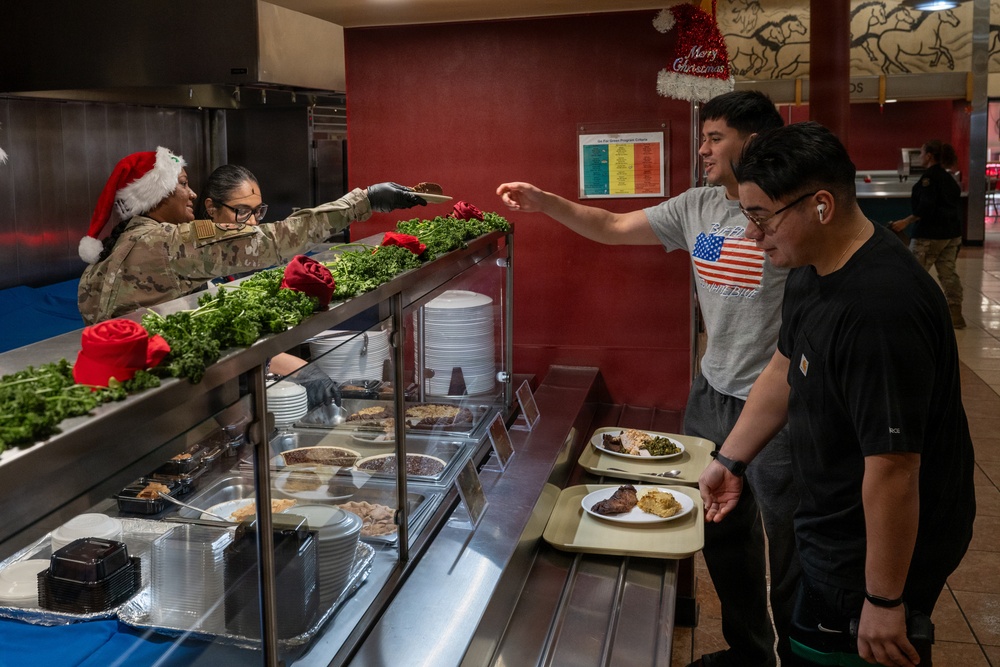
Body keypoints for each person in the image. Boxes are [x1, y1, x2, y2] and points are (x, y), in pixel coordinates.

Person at [497, 90, 799, 667]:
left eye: (716, 138)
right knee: (725, 534)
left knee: (790, 543)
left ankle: (799, 653)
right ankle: (751, 653)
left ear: (753, 141)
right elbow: (611, 224)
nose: (703, 149)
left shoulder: (787, 209)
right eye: (703, 136)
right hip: (712, 395)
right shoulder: (698, 206)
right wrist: (545, 201)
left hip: (780, 402)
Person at [700, 121, 975, 666]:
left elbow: (894, 467)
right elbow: (783, 366)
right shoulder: (812, 263)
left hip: (878, 545)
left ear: (820, 205)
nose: (753, 235)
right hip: (830, 517)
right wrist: (731, 458)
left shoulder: (880, 309)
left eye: (761, 217)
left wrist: (884, 598)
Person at [77, 147, 425, 325]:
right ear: (155, 194)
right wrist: (363, 201)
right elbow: (274, 240)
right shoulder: (168, 243)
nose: (192, 194)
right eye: (182, 184)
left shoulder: (110, 254)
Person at [889, 140, 965, 329]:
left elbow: (925, 207)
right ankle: (955, 313)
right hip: (952, 234)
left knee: (913, 273)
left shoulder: (929, 179)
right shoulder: (949, 179)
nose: (921, 157)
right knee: (948, 273)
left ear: (930, 155)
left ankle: (911, 313)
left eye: (922, 153)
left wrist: (905, 222)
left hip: (930, 235)